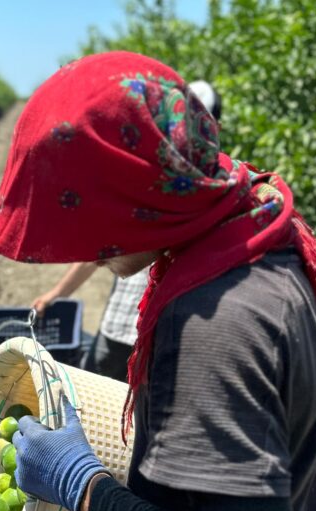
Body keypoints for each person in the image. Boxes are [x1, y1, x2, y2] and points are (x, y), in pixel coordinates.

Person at [0, 53, 316, 511]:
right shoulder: (273, 236)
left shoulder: (214, 326)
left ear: (130, 191)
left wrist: (82, 485)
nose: (82, 247)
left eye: (80, 213)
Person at [29, 79, 219, 383]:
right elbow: (101, 249)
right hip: (122, 325)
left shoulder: (205, 201)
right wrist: (57, 293)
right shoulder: (145, 184)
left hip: (162, 333)